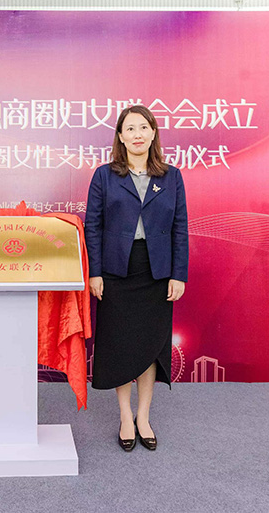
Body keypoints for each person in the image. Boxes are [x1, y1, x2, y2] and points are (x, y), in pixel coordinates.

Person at [84, 105, 188, 452]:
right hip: (116, 270)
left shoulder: (171, 176)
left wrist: (178, 274)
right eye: (130, 128)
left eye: (144, 127)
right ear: (121, 136)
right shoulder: (105, 176)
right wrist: (95, 272)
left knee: (148, 347)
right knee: (120, 345)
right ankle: (125, 416)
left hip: (156, 271)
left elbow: (180, 228)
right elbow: (93, 227)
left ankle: (144, 416)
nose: (137, 134)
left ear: (153, 133)